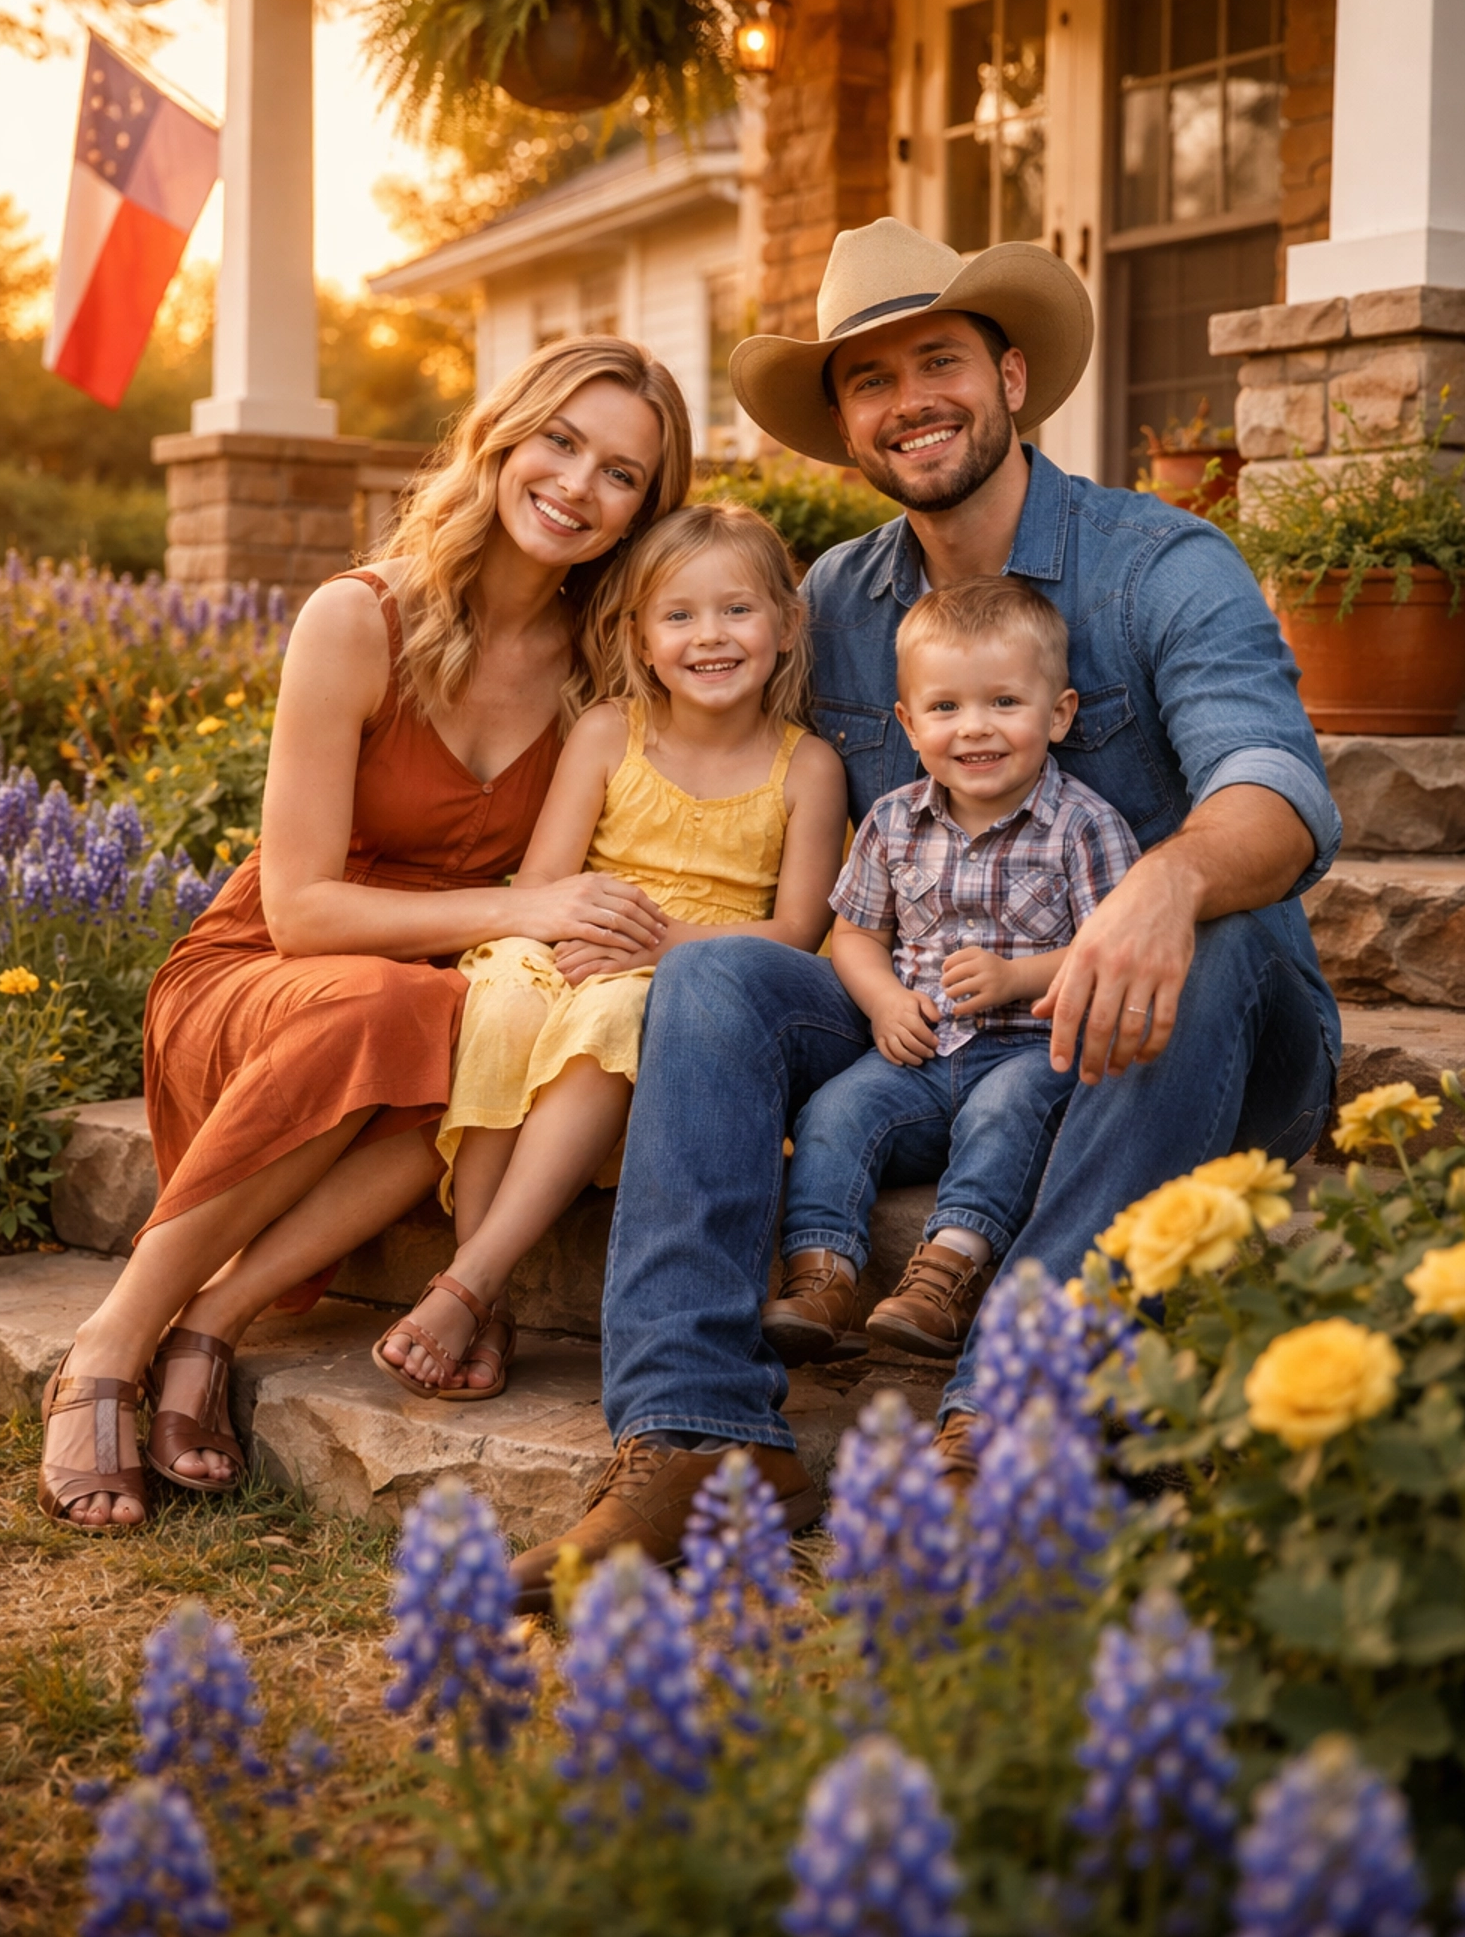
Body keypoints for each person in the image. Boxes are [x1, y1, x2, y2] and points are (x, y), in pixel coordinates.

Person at [507, 217, 1342, 1611]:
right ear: (845, 425)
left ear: (1013, 375)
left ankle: (1009, 1413)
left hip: (1172, 1034)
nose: (911, 402)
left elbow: (1280, 788)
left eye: (938, 360)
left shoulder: (1162, 565)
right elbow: (682, 680)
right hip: (932, 1022)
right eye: (870, 380)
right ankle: (698, 1434)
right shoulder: (833, 602)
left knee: (1212, 930)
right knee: (711, 982)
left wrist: (1166, 879)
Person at [36, 335, 694, 1530]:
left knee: (465, 1033)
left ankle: (211, 1324)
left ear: (646, 509)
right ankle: (107, 1343)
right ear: (501, 441)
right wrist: (527, 910)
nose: (578, 485)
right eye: (560, 442)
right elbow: (300, 910)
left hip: (443, 995)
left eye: (622, 474)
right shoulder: (359, 618)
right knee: (403, 1007)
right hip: (268, 975)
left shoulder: (604, 669)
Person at [372, 501, 845, 1437]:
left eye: (737, 611)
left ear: (788, 625)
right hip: (571, 945)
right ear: (639, 636)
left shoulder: (807, 766)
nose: (709, 636)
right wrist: (575, 936)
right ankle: (488, 1289)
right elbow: (543, 882)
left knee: (613, 1017)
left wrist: (661, 943)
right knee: (502, 997)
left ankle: (469, 1284)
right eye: (679, 615)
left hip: (691, 981)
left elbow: (796, 931)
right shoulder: (606, 734)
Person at [761, 576, 1138, 1369]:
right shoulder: (894, 821)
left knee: (1007, 1110)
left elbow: (1116, 945)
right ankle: (821, 1276)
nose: (975, 729)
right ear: (908, 721)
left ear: (1059, 714)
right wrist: (886, 1000)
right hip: (922, 1056)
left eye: (1005, 703)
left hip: (1034, 1053)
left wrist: (1016, 978)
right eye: (945, 708)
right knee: (836, 1111)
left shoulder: (1082, 825)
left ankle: (946, 1276)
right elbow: (856, 936)